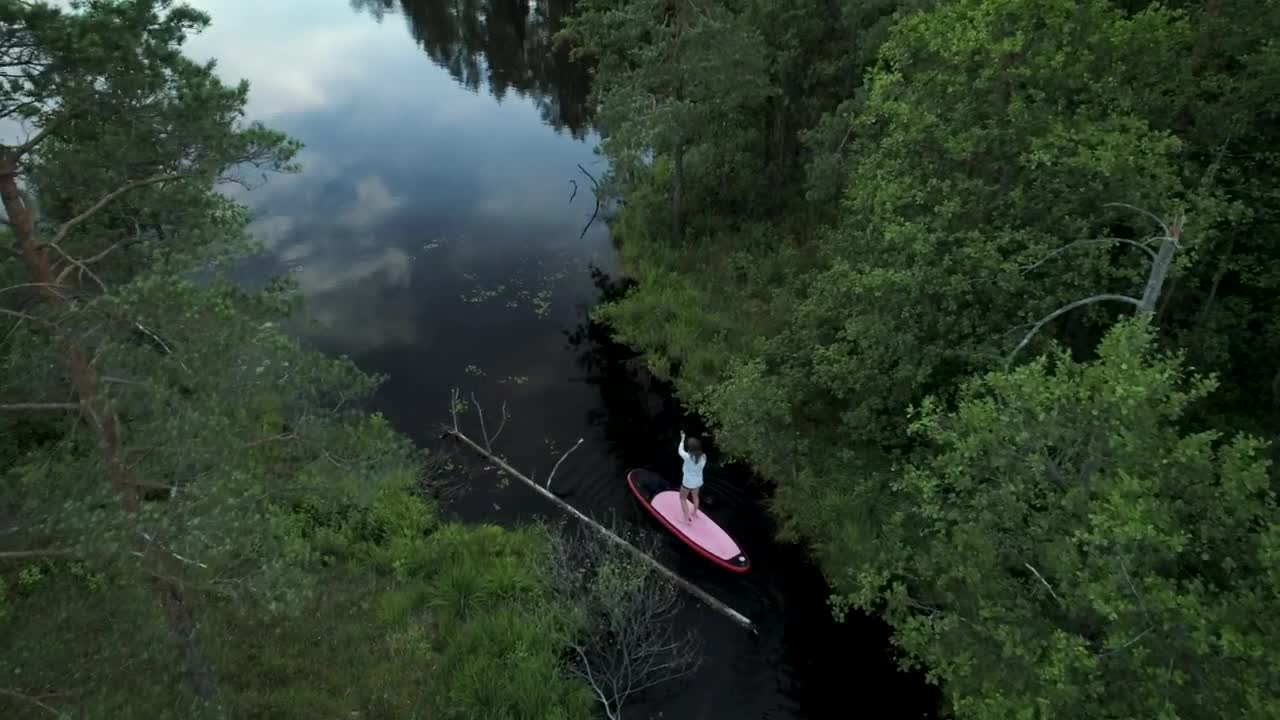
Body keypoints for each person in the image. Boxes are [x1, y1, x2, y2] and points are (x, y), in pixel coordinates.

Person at [676, 430, 705, 522]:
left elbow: (680, 451)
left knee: (682, 498)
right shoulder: (704, 456)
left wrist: (682, 439)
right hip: (698, 482)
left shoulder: (688, 457)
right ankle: (695, 513)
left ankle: (686, 519)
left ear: (690, 448)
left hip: (688, 482)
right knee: (695, 496)